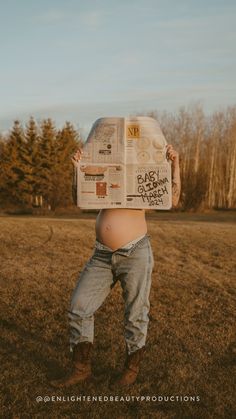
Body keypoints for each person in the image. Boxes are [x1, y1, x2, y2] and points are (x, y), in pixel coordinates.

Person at [50, 144, 181, 388]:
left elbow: (172, 199)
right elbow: (78, 199)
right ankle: (81, 370)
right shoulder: (108, 171)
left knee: (135, 313)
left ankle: (131, 369)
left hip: (135, 253)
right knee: (79, 306)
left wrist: (175, 164)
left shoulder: (143, 176)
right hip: (101, 255)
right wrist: (77, 169)